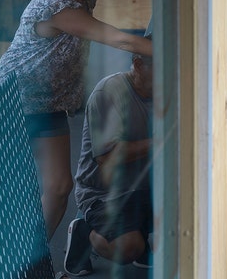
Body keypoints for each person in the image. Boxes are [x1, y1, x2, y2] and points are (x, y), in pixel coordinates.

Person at [0, 0, 152, 240]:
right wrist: (187, 53)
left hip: (48, 102)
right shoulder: (56, 6)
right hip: (12, 100)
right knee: (5, 191)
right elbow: (121, 39)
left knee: (59, 187)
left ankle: (31, 264)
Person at [64, 34, 154, 276]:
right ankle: (84, 231)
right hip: (103, 193)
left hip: (145, 189)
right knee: (127, 248)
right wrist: (159, 142)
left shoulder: (169, 94)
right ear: (137, 65)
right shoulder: (109, 92)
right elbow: (107, 157)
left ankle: (144, 237)